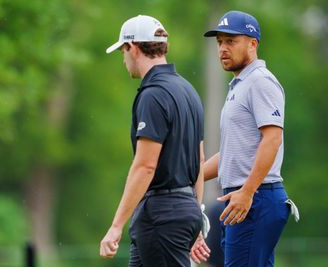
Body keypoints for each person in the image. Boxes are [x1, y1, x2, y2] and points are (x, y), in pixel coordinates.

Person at [100, 15, 210, 266]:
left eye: (123, 51)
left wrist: (116, 226)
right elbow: (200, 159)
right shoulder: (188, 90)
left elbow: (145, 166)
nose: (124, 59)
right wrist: (194, 214)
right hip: (182, 208)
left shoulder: (153, 95)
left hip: (162, 215)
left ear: (134, 48)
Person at [200, 10, 299, 267]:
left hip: (256, 198)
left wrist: (247, 191)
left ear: (252, 44)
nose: (222, 48)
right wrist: (192, 174)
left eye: (231, 41)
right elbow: (232, 151)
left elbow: (272, 139)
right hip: (246, 199)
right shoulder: (240, 85)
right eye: (220, 41)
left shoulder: (260, 82)